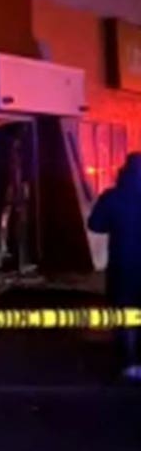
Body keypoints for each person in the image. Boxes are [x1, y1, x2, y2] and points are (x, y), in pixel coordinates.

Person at [88, 152, 141, 380]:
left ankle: (130, 363)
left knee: (126, 314)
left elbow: (95, 225)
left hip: (123, 265)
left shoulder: (113, 197)